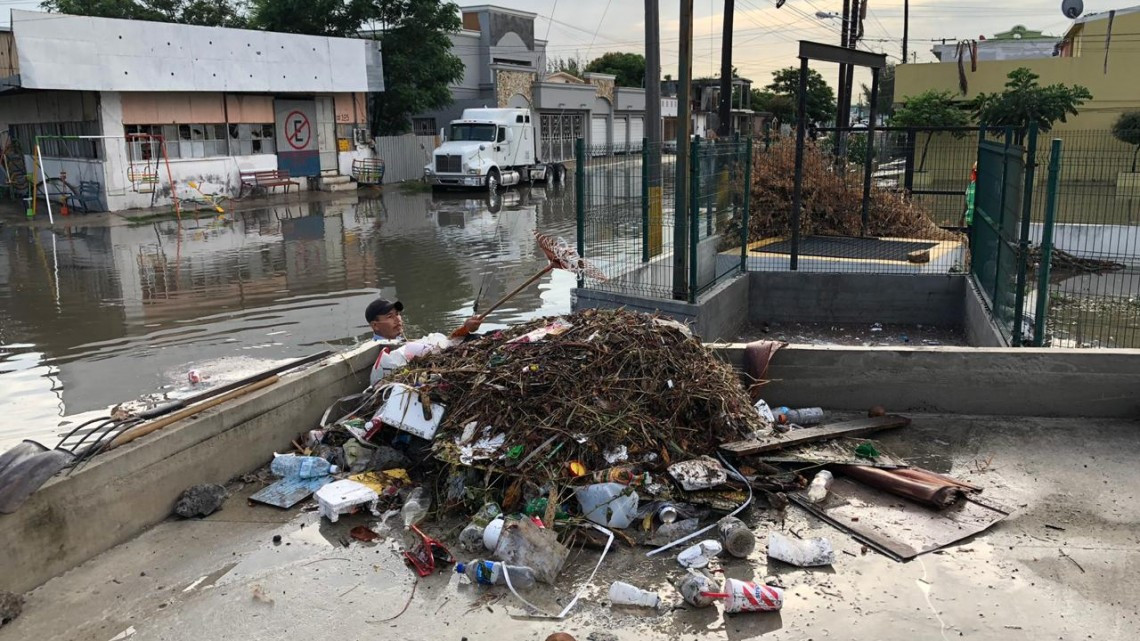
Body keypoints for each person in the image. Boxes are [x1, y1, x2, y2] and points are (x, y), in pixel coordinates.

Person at [365, 297, 483, 385]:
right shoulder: (386, 354)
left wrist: (466, 328)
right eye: (390, 316)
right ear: (375, 326)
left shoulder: (402, 343)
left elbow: (443, 343)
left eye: (398, 314)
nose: (398, 319)